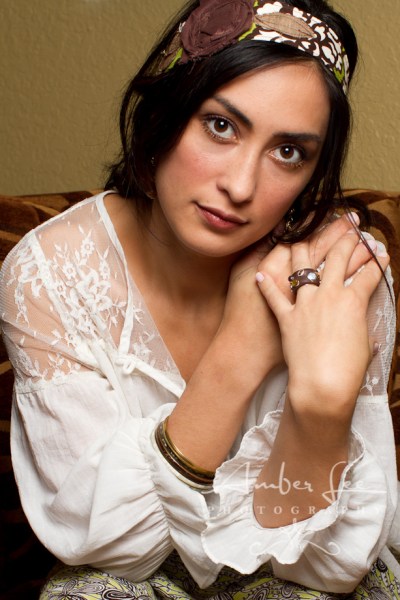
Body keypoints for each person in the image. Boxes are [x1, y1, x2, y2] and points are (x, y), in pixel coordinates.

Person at [1, 0, 399, 597]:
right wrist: (240, 348)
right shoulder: (50, 272)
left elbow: (330, 570)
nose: (240, 186)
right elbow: (108, 547)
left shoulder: (340, 274)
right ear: (165, 111)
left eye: (288, 152)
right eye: (221, 126)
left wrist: (321, 406)